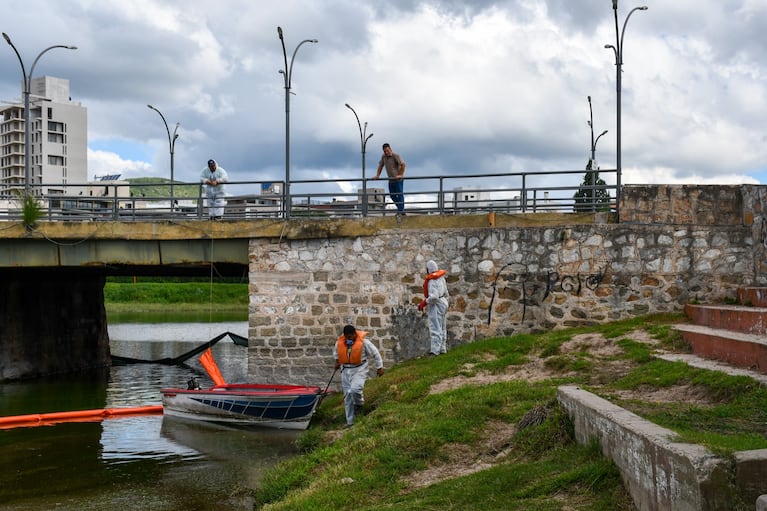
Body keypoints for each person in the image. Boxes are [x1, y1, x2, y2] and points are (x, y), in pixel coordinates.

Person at [333, 324, 384, 427]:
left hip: (359, 369)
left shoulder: (364, 342)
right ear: (345, 335)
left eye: (351, 336)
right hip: (345, 370)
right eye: (347, 336)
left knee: (355, 390)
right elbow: (336, 355)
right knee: (347, 396)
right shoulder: (339, 343)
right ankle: (350, 422)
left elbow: (375, 353)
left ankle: (359, 404)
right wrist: (337, 362)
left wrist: (379, 367)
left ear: (355, 334)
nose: (349, 338)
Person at [418, 260, 449, 355]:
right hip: (443, 302)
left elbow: (434, 297)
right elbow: (446, 293)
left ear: (428, 269)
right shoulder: (441, 278)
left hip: (436, 305)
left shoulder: (432, 281)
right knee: (443, 327)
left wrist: (424, 302)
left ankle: (435, 351)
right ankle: (442, 349)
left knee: (435, 327)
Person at [374, 143, 406, 214]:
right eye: (385, 151)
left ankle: (400, 211)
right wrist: (377, 175)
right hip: (391, 180)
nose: (386, 152)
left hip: (398, 180)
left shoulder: (395, 156)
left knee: (400, 194)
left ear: (390, 149)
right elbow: (380, 165)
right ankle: (401, 209)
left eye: (387, 151)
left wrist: (400, 175)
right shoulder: (384, 157)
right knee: (392, 196)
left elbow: (403, 164)